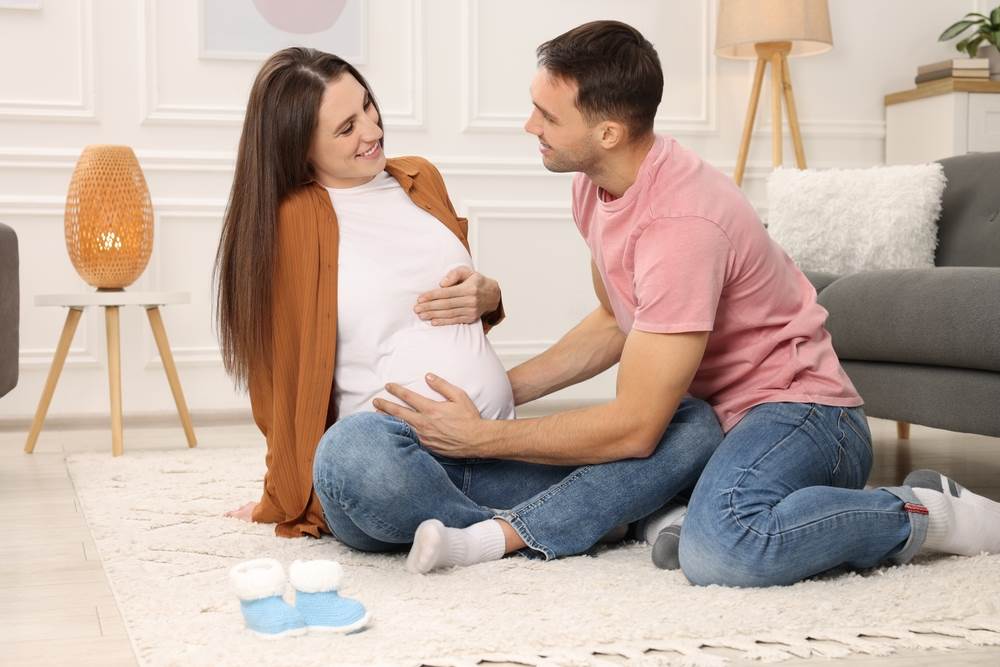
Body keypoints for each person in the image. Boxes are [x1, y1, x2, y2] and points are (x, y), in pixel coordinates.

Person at [381, 21, 1000, 584]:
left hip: (803, 415)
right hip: (706, 418)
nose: (530, 126)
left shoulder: (681, 224)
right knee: (552, 470)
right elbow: (615, 320)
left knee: (725, 547)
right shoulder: (595, 185)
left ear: (607, 132)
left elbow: (635, 425)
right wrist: (500, 392)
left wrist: (484, 435)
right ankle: (679, 508)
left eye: (546, 115)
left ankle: (925, 511)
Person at [214, 47, 724, 570]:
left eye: (367, 106)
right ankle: (612, 512)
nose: (372, 130)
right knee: (349, 455)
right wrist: (279, 491)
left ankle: (502, 533)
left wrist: (488, 296)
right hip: (398, 458)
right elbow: (276, 373)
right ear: (299, 147)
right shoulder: (289, 225)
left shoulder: (418, 179)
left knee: (694, 423)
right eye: (346, 128)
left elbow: (436, 311)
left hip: (495, 450)